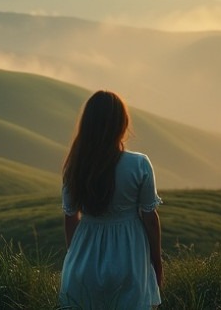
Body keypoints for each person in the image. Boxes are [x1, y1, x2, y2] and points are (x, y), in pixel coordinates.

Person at [59, 90, 163, 310]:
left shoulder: (74, 167)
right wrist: (157, 264)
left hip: (84, 260)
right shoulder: (139, 165)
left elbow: (70, 217)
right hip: (130, 258)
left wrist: (75, 257)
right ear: (122, 124)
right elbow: (150, 219)